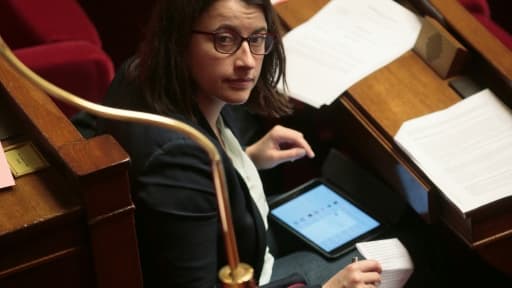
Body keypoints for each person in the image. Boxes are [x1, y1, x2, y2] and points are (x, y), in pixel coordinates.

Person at [86, 0, 382, 287]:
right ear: (179, 38)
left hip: (252, 236)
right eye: (224, 39)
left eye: (257, 39)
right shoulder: (175, 162)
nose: (247, 62)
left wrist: (245, 159)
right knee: (401, 247)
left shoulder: (142, 71)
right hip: (255, 272)